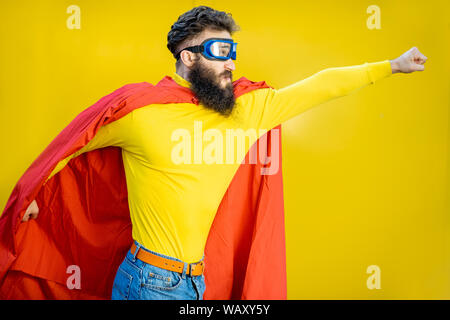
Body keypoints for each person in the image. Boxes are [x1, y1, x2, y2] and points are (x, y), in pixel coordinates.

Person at [19, 6, 427, 300]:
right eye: (218, 51)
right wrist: (35, 193)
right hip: (147, 280)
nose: (230, 61)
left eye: (232, 51)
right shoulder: (141, 112)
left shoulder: (249, 111)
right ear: (189, 57)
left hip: (199, 282)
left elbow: (320, 86)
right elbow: (74, 144)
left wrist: (391, 65)